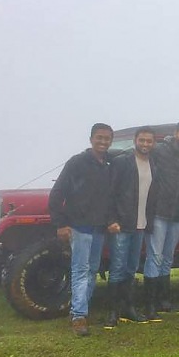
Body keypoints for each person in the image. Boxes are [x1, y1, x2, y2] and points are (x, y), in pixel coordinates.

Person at [49, 123, 114, 336]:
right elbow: (57, 193)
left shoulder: (108, 165)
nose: (103, 142)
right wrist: (60, 224)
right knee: (80, 270)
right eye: (99, 138)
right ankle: (78, 316)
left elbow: (109, 198)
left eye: (107, 139)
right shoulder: (77, 163)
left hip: (99, 228)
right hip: (80, 226)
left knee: (93, 270)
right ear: (91, 139)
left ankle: (81, 310)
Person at [144, 121, 179, 319]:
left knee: (167, 258)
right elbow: (138, 156)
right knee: (155, 256)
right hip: (159, 212)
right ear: (175, 133)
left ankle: (164, 300)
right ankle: (150, 303)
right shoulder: (160, 151)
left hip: (178, 216)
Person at [103, 126, 157, 329]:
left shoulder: (153, 163)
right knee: (117, 268)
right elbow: (110, 193)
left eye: (149, 141)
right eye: (142, 140)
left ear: (154, 143)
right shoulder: (122, 162)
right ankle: (112, 312)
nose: (145, 144)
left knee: (131, 268)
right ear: (135, 141)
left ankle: (129, 308)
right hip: (122, 224)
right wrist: (111, 220)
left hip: (141, 225)